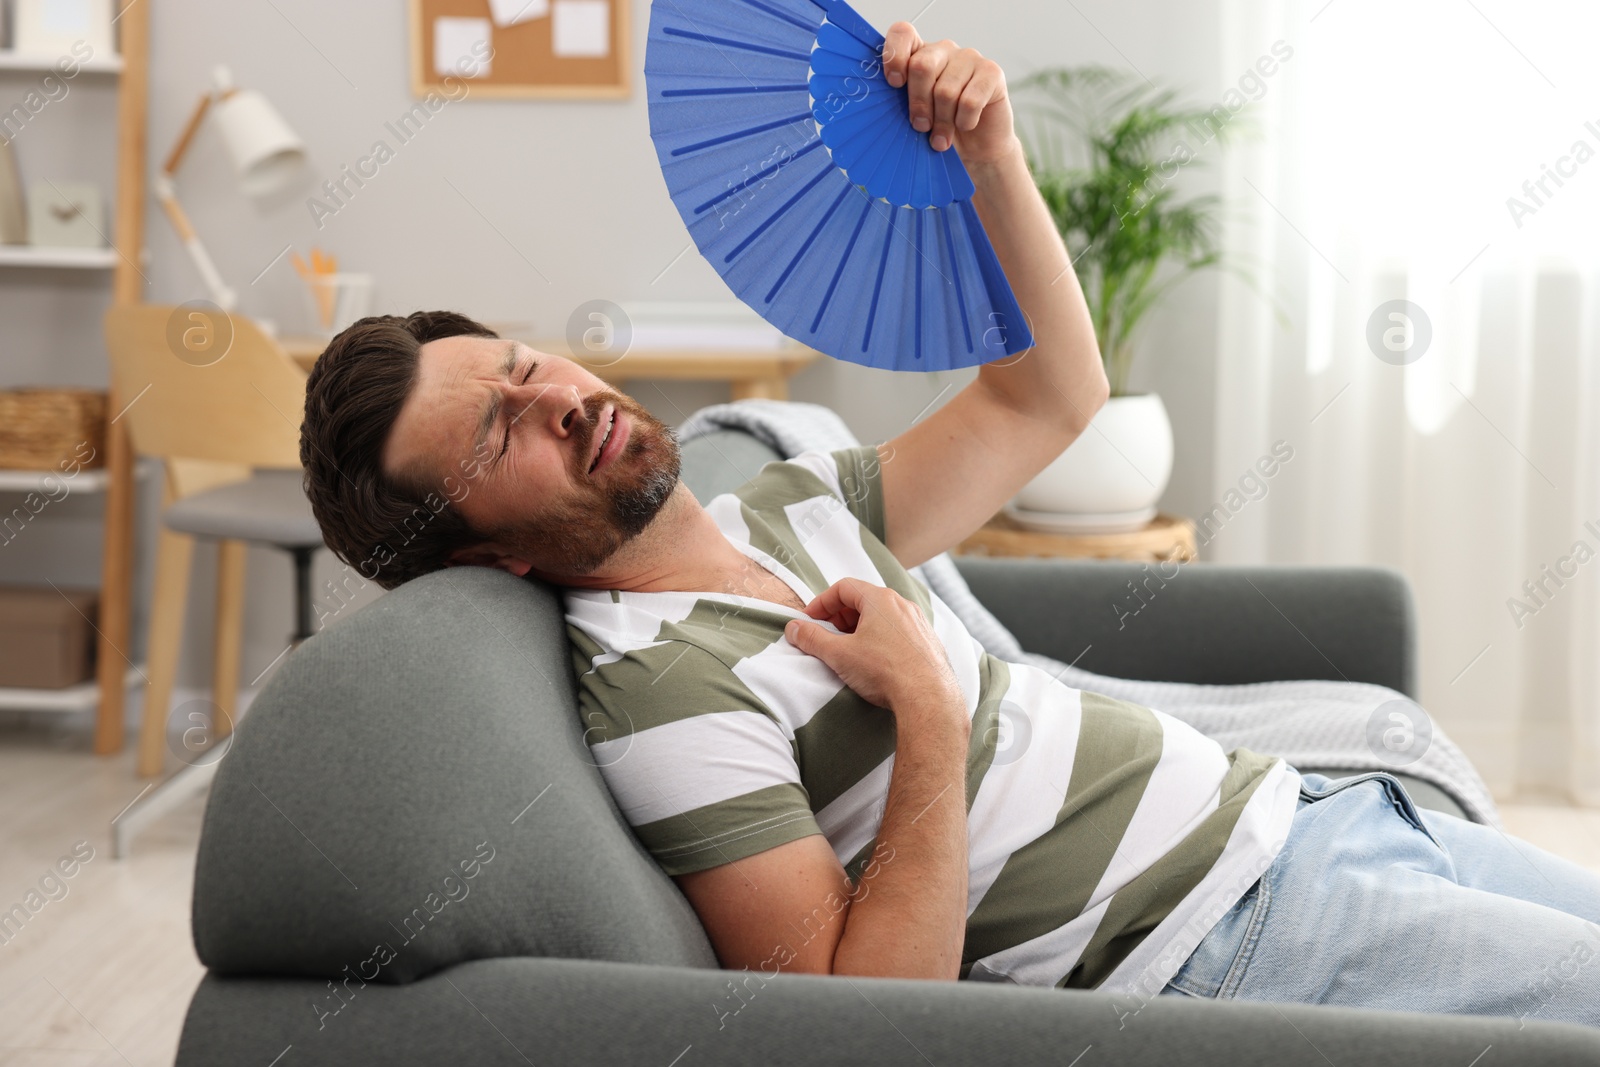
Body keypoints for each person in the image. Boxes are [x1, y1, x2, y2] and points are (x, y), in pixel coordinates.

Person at [297, 22, 1600, 1028]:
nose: (558, 404)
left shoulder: (791, 499)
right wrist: (927, 714)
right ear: (483, 553)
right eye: (492, 434)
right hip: (1233, 940)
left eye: (525, 366)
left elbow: (1050, 396)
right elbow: (859, 1020)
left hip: (1314, 821)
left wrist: (993, 156)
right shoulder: (662, 704)